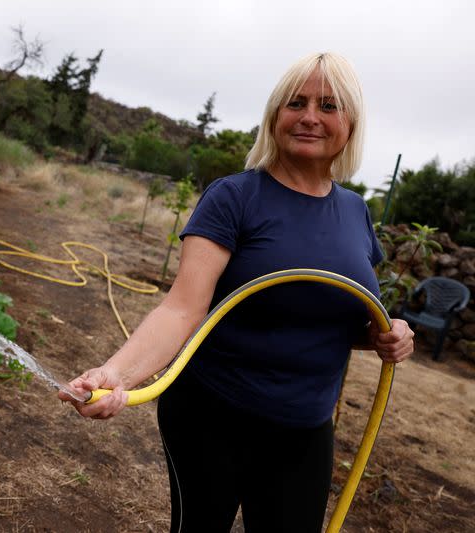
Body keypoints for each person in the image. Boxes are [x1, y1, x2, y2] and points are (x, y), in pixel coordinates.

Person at [58, 52, 415, 533]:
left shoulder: (355, 212)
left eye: (328, 105)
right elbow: (182, 309)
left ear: (349, 123)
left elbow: (341, 318)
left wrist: (387, 335)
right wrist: (115, 373)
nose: (310, 116)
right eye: (296, 102)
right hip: (212, 419)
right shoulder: (235, 197)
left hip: (306, 431)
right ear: (274, 116)